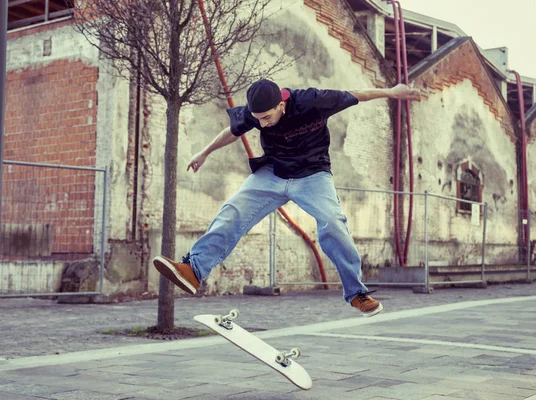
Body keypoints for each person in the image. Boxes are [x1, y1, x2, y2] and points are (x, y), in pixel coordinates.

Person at [153, 79, 421, 317]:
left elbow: (357, 93)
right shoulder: (254, 113)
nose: (262, 124)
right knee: (233, 209)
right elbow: (232, 132)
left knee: (333, 222)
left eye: (267, 117)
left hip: (312, 175)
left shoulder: (313, 101)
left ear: (281, 103)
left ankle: (357, 294)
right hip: (273, 172)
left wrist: (393, 92)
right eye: (258, 119)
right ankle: (194, 270)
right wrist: (204, 152)